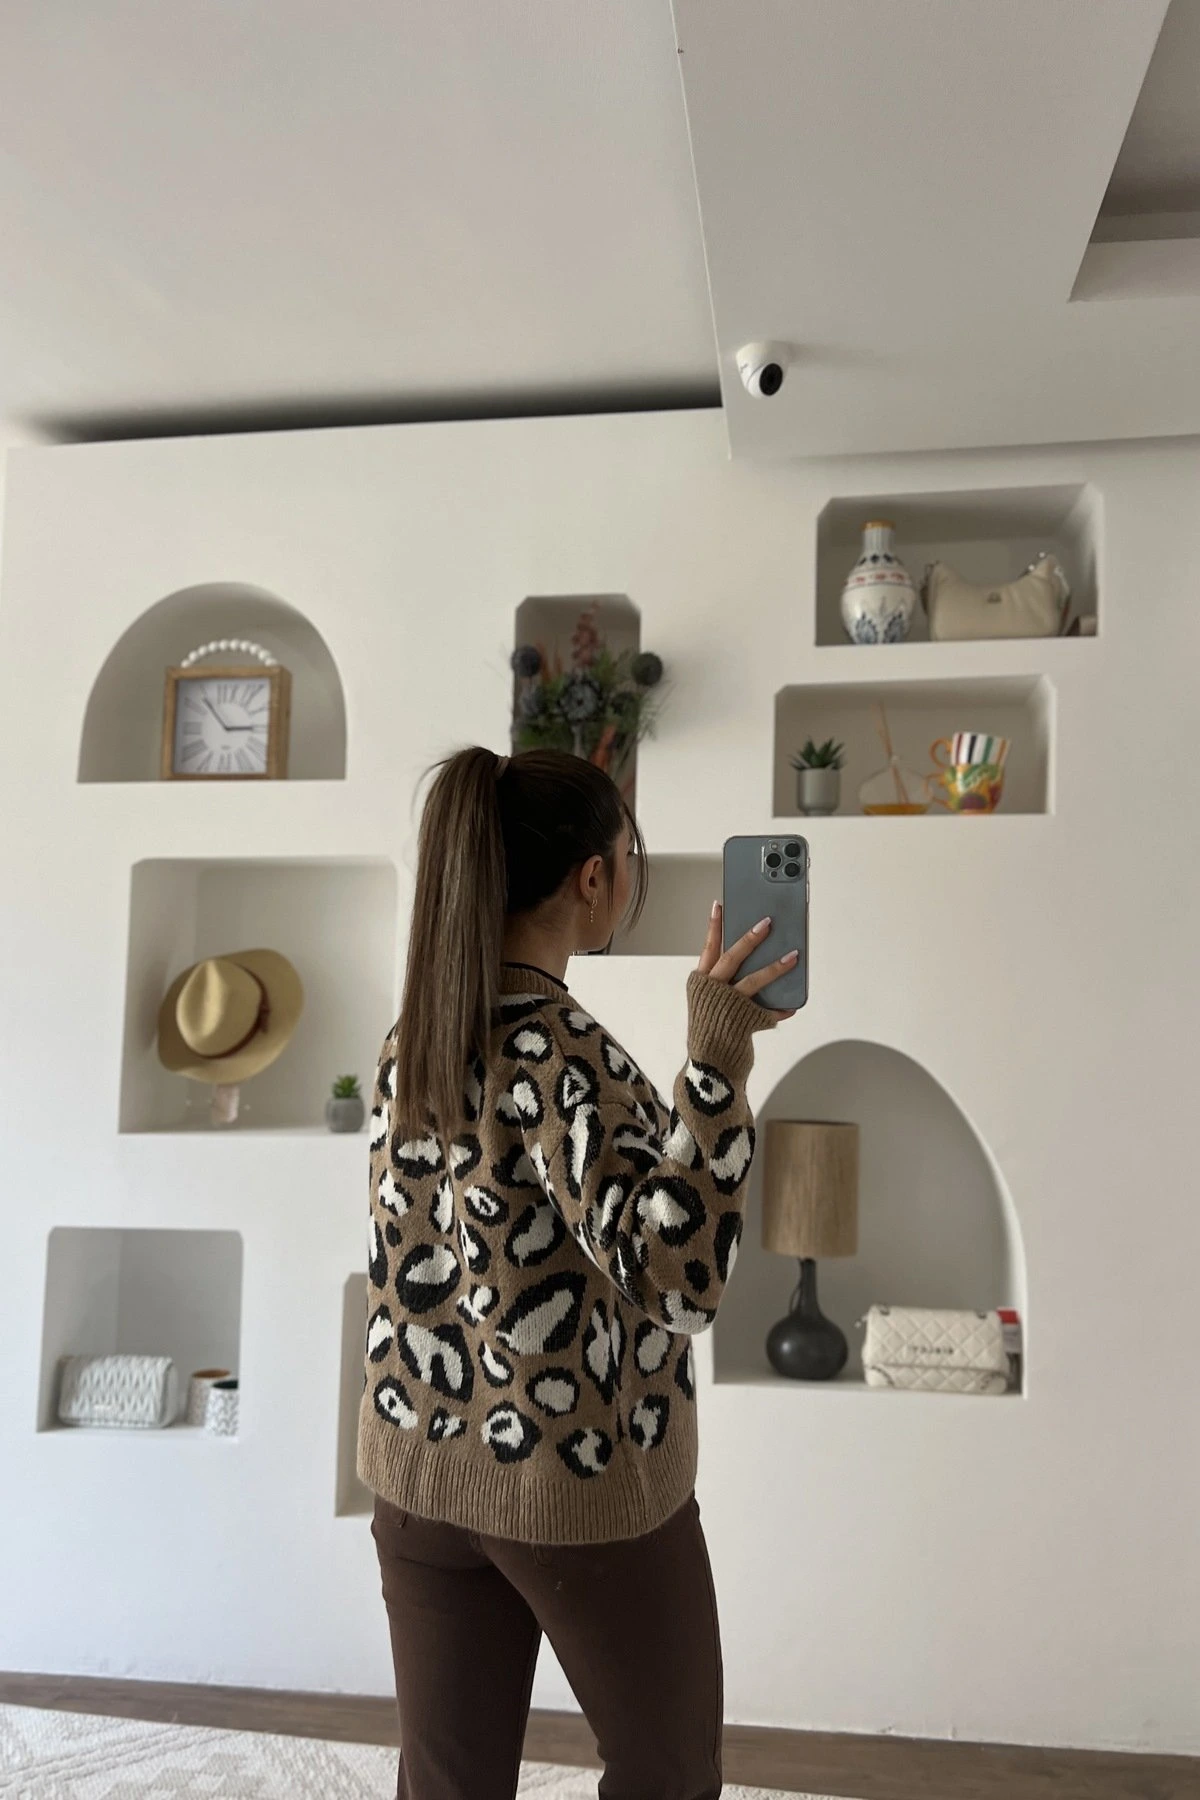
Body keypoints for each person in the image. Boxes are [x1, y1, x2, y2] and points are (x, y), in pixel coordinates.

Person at [357, 745, 798, 1800]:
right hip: (572, 1483)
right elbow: (678, 1280)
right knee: (667, 1773)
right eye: (627, 859)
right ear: (592, 877)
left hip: (418, 1472)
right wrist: (716, 1060)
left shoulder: (413, 1036)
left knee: (448, 1785)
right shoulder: (560, 1054)